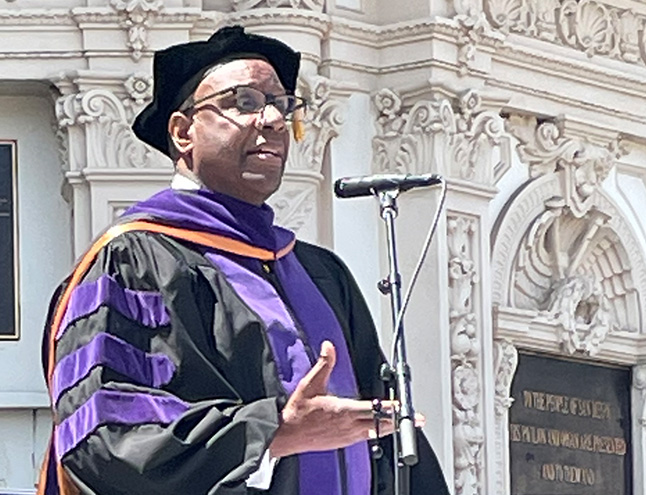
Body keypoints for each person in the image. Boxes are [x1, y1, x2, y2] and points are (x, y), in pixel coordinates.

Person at [38, 25, 450, 495]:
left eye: (282, 103)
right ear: (182, 131)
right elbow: (104, 435)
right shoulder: (133, 261)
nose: (273, 118)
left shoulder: (321, 274)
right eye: (245, 102)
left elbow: (391, 440)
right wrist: (273, 435)